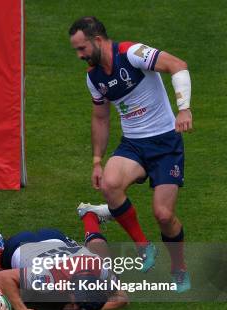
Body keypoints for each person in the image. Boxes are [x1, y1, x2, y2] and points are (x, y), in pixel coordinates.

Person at [69, 16, 192, 292]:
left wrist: (184, 108)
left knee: (163, 215)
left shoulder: (132, 53)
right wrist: (97, 161)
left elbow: (177, 66)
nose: (79, 56)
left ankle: (179, 266)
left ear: (97, 41)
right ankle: (143, 246)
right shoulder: (94, 76)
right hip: (133, 145)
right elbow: (100, 118)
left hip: (164, 144)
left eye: (82, 49)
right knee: (110, 184)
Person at [0, 203, 129, 310]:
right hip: (18, 244)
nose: (75, 306)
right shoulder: (51, 278)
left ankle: (90, 217)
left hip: (54, 236)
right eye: (77, 303)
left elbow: (123, 297)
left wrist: (98, 308)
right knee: (28, 294)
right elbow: (2, 277)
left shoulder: (100, 269)